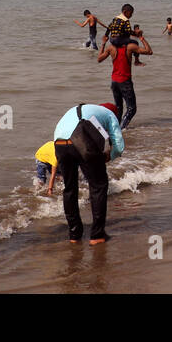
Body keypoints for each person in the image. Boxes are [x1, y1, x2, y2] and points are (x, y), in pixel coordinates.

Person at [52, 101, 123, 244]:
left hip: (59, 143)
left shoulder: (82, 109)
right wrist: (109, 156)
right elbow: (119, 145)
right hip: (81, 140)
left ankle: (74, 234)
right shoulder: (110, 115)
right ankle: (97, 235)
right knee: (98, 185)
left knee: (70, 188)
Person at [96, 29, 152, 130]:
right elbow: (149, 51)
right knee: (131, 109)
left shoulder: (111, 48)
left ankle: (115, 129)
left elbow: (99, 59)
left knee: (119, 108)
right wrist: (141, 38)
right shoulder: (130, 47)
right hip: (125, 82)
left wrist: (103, 44)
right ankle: (121, 129)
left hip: (114, 82)